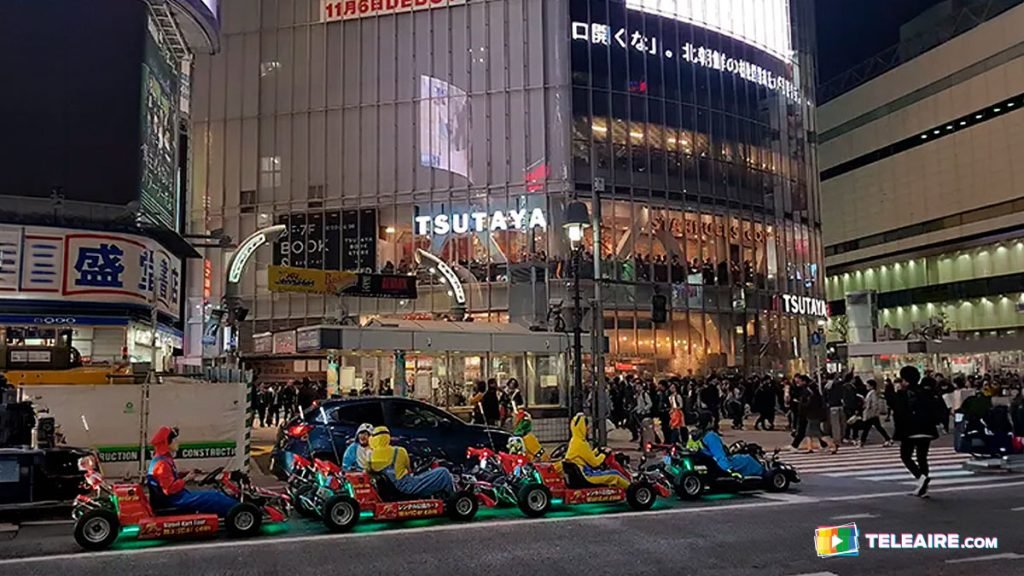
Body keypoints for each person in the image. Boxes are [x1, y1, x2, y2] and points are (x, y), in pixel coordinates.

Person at [146, 426, 238, 516]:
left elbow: (169, 478)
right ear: (167, 443)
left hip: (176, 497)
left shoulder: (161, 459)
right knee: (214, 497)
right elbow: (169, 489)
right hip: (175, 500)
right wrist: (186, 479)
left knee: (213, 494)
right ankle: (238, 510)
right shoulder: (162, 464)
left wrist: (185, 475)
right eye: (175, 440)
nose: (177, 442)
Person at [366, 426, 455, 499]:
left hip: (389, 490)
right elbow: (409, 470)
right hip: (406, 486)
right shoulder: (399, 451)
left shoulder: (370, 455)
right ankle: (452, 499)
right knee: (443, 472)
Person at [891, 366, 940, 498]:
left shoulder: (902, 394)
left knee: (905, 456)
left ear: (905, 380)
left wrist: (897, 433)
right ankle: (923, 488)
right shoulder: (926, 392)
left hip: (909, 430)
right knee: (922, 457)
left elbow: (899, 414)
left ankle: (921, 478)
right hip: (927, 429)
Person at [690, 412, 766, 477]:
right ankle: (763, 474)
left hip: (708, 462)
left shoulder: (694, 436)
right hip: (721, 465)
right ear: (709, 423)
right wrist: (729, 470)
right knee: (748, 459)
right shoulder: (710, 436)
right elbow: (720, 456)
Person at [564, 413, 630, 488]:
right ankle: (631, 488)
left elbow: (587, 456)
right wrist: (604, 453)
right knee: (615, 475)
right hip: (587, 475)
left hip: (581, 473)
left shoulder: (575, 441)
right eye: (586, 426)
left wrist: (597, 450)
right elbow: (595, 463)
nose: (588, 429)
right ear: (582, 428)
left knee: (613, 473)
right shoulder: (581, 444)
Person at [857, 380, 893, 447]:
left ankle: (862, 441)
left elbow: (874, 403)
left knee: (868, 428)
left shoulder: (872, 393)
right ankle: (888, 439)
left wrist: (872, 411)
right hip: (871, 413)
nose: (866, 386)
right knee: (874, 427)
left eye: (868, 385)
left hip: (871, 414)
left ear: (872, 386)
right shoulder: (871, 393)